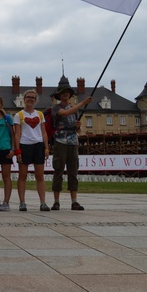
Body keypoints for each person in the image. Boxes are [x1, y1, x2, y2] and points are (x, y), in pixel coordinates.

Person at [51, 81, 92, 211]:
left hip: (73, 142)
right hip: (60, 142)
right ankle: (56, 201)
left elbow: (78, 130)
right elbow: (65, 113)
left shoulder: (74, 110)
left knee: (73, 171)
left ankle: (74, 201)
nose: (66, 94)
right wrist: (83, 103)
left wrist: (78, 127)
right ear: (59, 95)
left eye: (67, 92)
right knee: (58, 170)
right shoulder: (56, 108)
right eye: (63, 93)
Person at [14, 90, 50, 212]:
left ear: (35, 100)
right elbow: (17, 134)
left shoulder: (40, 114)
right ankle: (22, 202)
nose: (30, 99)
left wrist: (46, 147)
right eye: (28, 97)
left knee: (40, 176)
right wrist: (17, 149)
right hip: (25, 145)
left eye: (32, 97)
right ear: (24, 99)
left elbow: (44, 132)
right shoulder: (19, 115)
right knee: (22, 175)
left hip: (38, 145)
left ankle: (43, 202)